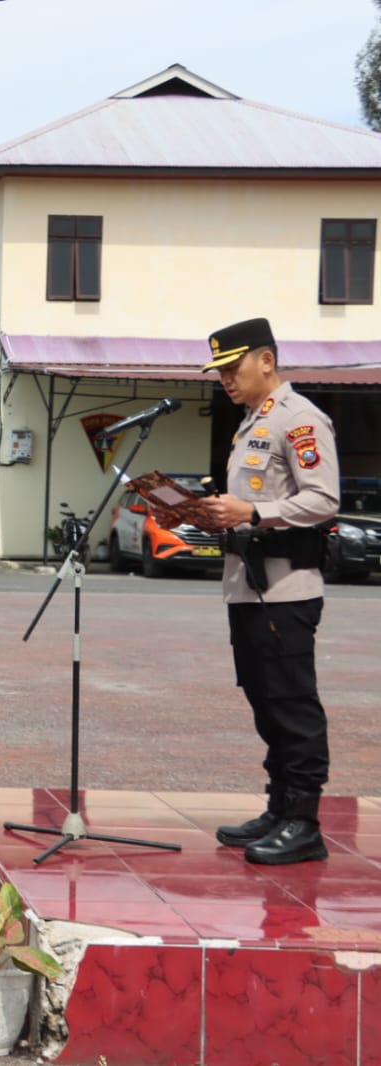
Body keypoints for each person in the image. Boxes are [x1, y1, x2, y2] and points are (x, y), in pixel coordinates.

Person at [192, 317, 340, 866]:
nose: (225, 379)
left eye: (233, 368)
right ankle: (279, 808)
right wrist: (218, 518)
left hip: (285, 589)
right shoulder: (252, 420)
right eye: (220, 372)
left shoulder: (299, 420)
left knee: (292, 705)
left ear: (266, 361)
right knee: (264, 702)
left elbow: (323, 500)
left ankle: (304, 823)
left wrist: (255, 510)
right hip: (248, 585)